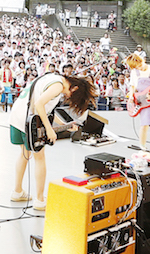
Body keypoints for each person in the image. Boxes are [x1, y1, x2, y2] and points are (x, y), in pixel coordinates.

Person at [8, 72, 95, 210]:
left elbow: (46, 112)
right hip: (28, 119)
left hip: (18, 116)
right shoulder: (58, 86)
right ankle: (40, 200)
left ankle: (17, 192)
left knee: (24, 153)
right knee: (40, 157)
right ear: (75, 88)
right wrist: (49, 129)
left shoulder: (52, 78)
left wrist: (64, 125)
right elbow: (39, 105)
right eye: (73, 96)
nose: (68, 98)